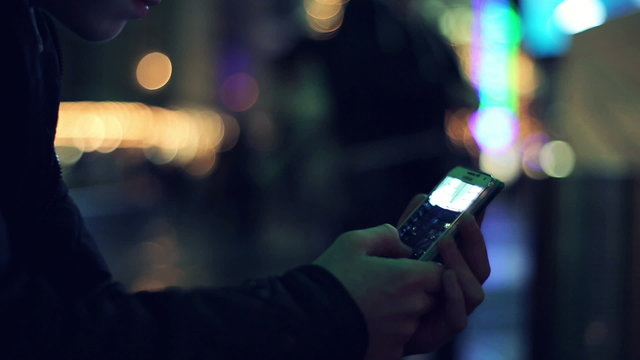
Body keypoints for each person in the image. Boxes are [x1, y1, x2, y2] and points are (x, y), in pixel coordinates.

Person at [0, 0, 490, 359]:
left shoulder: (29, 36)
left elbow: (75, 308)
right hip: (374, 177)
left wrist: (348, 320)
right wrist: (326, 315)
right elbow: (31, 336)